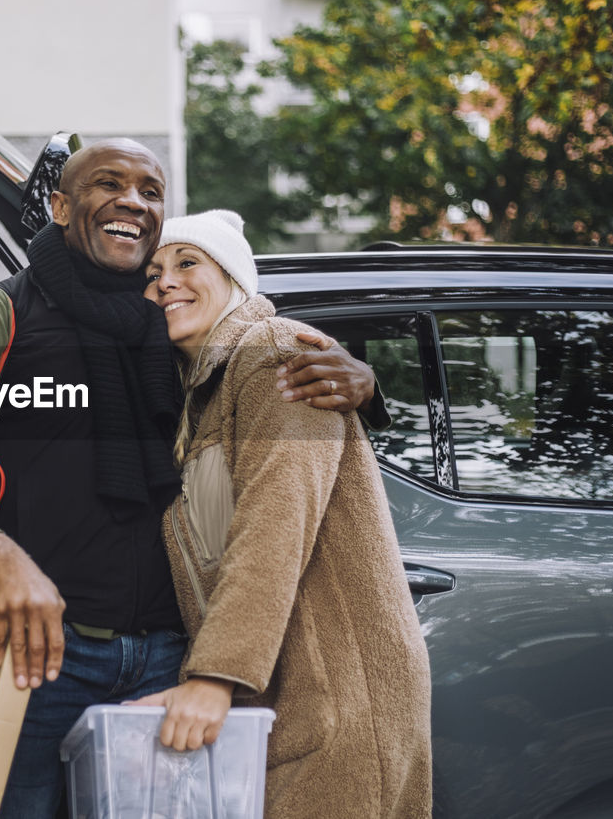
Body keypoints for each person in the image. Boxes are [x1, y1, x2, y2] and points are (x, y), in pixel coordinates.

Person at [0, 139, 382, 818]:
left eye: (150, 190)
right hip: (40, 658)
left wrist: (369, 384)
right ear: (59, 205)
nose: (133, 201)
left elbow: (257, 365)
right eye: (108, 183)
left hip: (175, 661)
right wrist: (3, 560)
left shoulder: (169, 327)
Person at [130, 209, 432, 818]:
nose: (165, 281)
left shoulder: (275, 355)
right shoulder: (196, 389)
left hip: (337, 698)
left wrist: (215, 678)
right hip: (282, 700)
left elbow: (276, 522)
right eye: (153, 270)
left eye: (188, 263)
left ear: (236, 280)